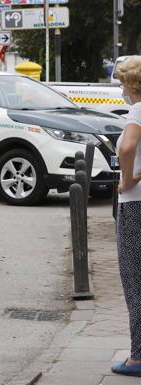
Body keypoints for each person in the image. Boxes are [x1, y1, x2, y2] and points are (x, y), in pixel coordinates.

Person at [111, 55, 141, 377]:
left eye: (121, 82)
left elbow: (127, 148)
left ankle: (138, 356)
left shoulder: (138, 109)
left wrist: (128, 178)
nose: (120, 88)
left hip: (135, 205)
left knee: (134, 279)